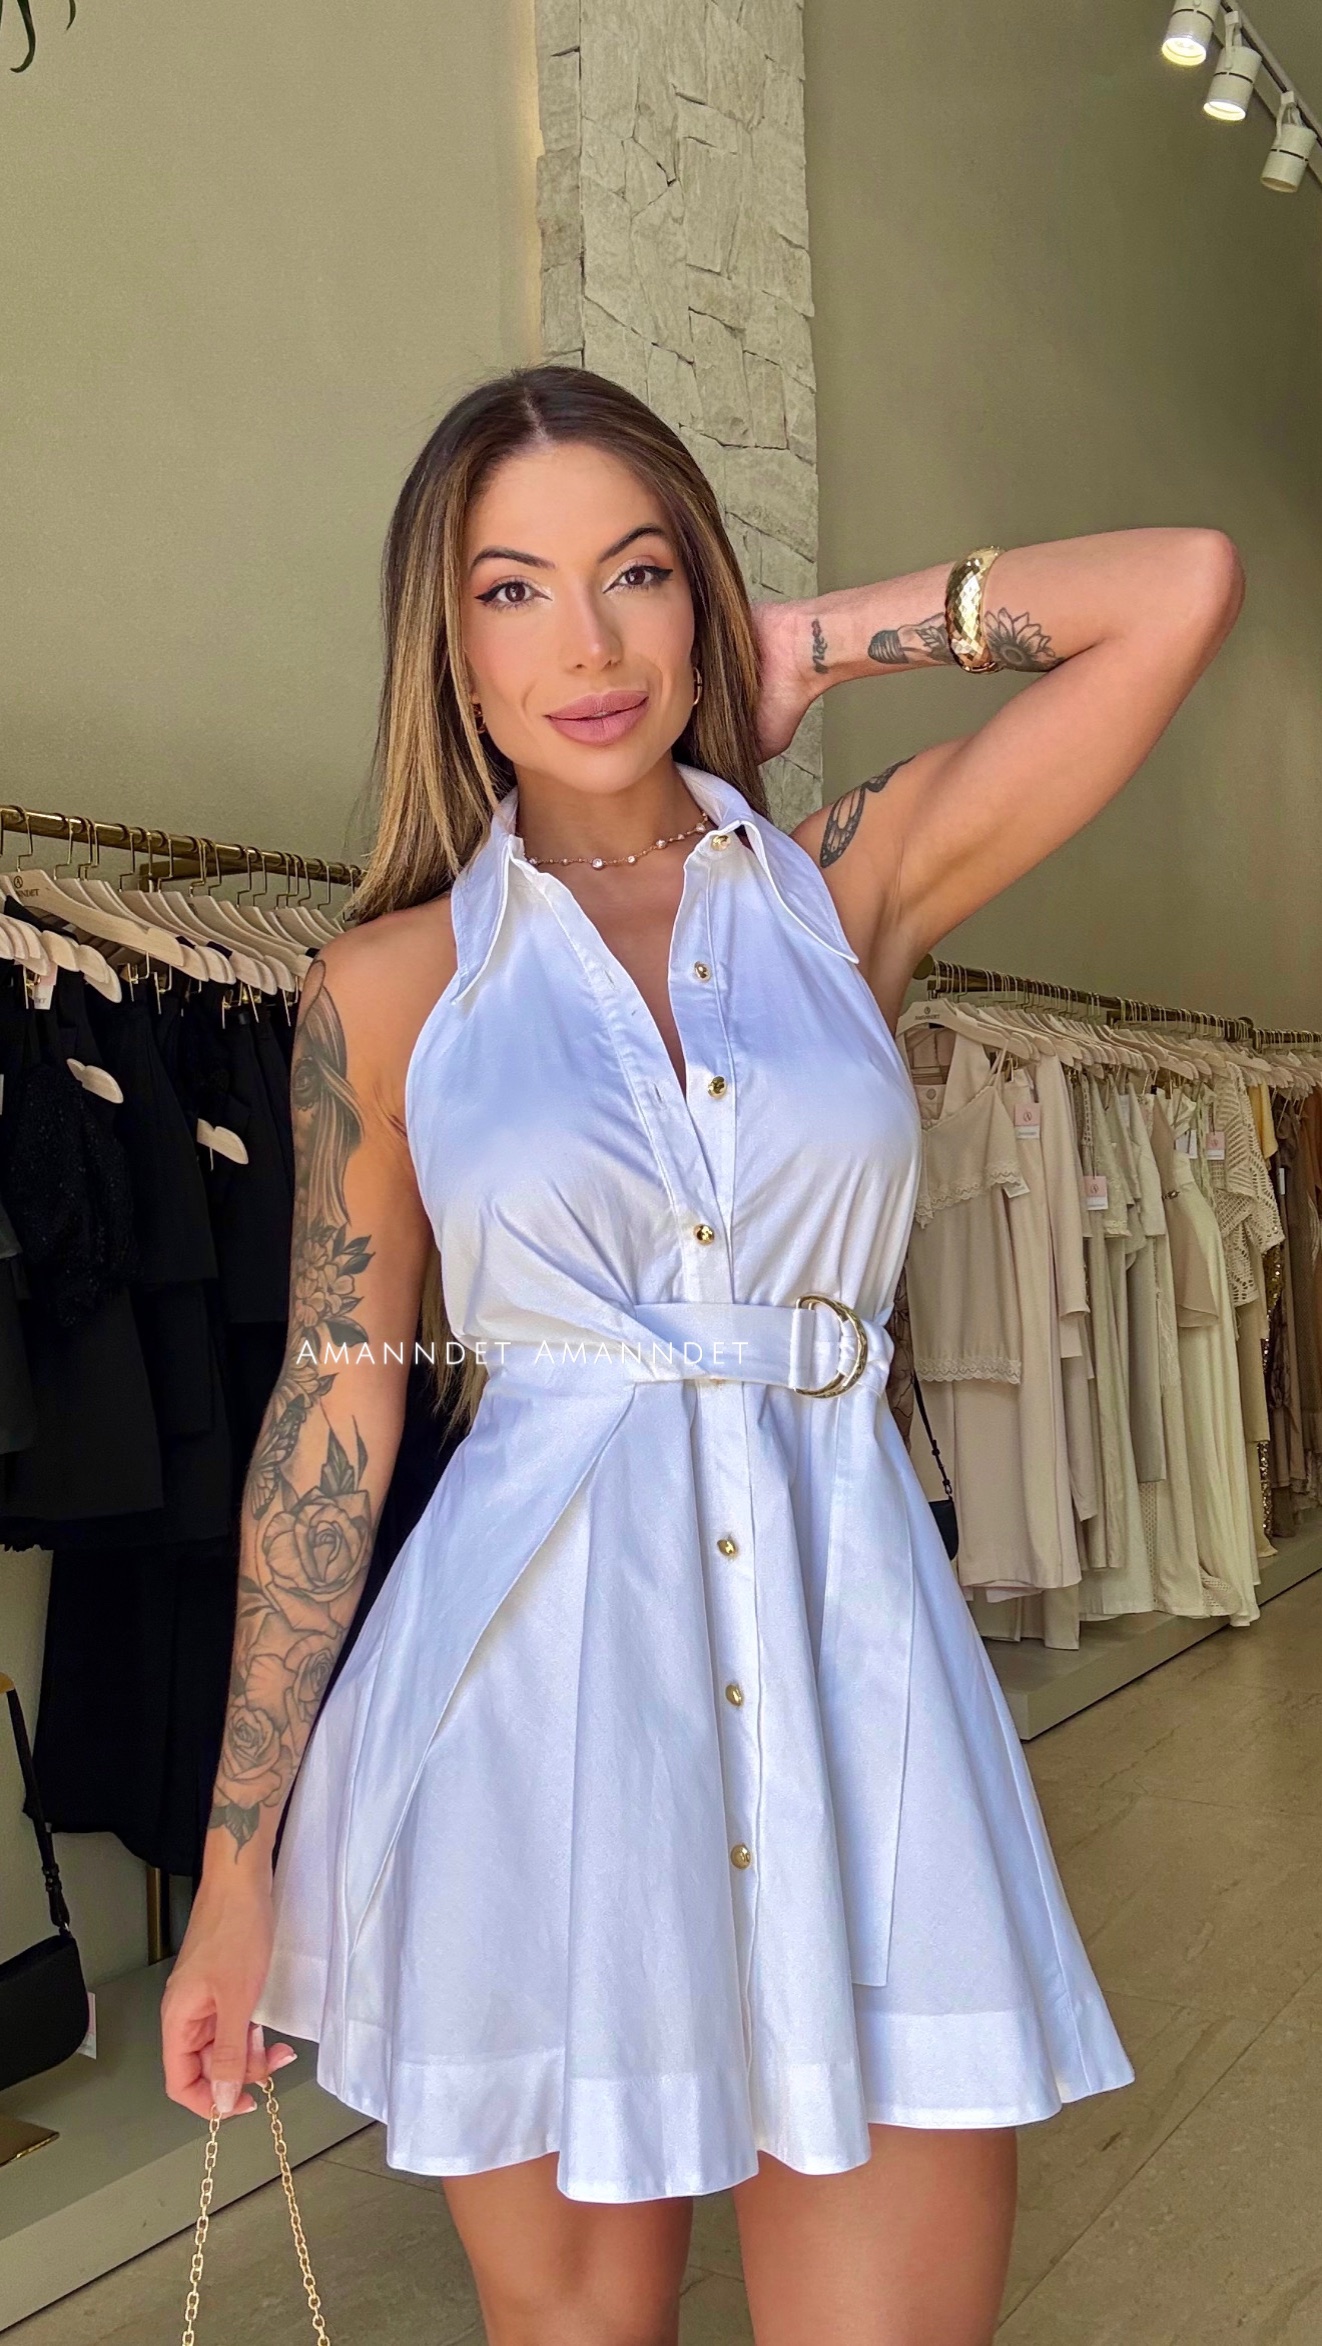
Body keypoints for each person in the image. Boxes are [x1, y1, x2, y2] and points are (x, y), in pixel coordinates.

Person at [160, 364, 1243, 2345]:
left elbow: (1175, 586)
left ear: (701, 598)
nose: (586, 643)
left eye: (635, 573)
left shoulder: (842, 893)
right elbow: (335, 1411)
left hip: (858, 1695)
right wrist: (236, 1869)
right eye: (511, 589)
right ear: (446, 646)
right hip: (529, 1722)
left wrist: (810, 642)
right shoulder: (387, 988)